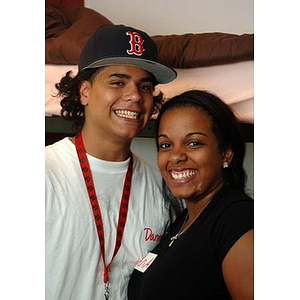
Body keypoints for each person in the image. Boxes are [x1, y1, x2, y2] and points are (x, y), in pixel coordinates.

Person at [45, 24, 177, 300]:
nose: (135, 96)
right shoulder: (43, 172)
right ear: (84, 92)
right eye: (118, 82)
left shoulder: (162, 185)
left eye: (145, 86)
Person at [128, 90, 254, 300]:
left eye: (194, 143)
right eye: (166, 145)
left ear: (225, 153)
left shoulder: (237, 220)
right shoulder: (184, 220)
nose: (176, 156)